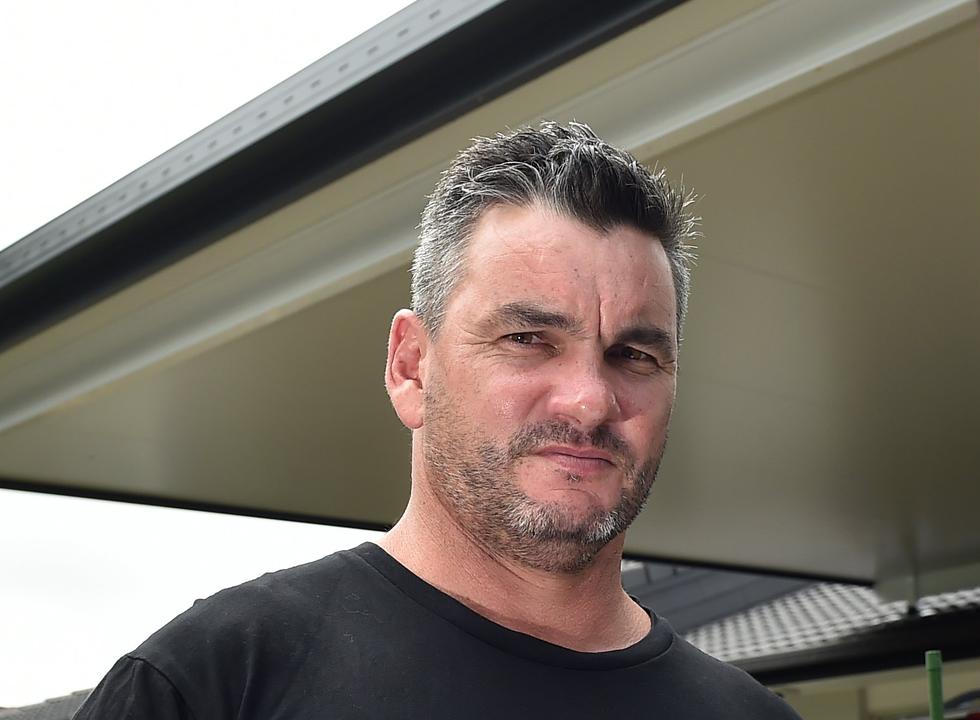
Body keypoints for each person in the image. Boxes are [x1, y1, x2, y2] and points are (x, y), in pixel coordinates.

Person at [74, 122, 800, 719]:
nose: (589, 399)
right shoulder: (218, 682)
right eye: (528, 339)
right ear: (411, 366)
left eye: (634, 354)